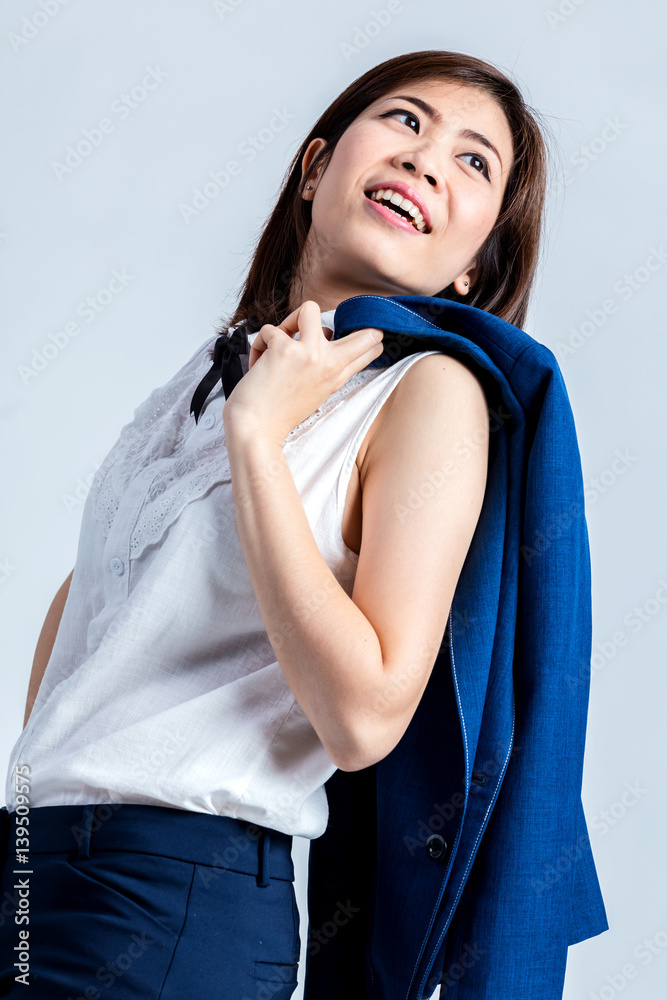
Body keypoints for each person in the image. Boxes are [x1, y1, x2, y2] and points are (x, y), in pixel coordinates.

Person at [0, 50, 550, 998]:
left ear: (472, 266)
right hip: (29, 866)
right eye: (406, 122)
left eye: (473, 162)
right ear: (314, 166)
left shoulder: (429, 396)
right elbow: (89, 618)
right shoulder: (206, 374)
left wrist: (258, 439)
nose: (425, 160)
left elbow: (365, 717)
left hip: (172, 893)